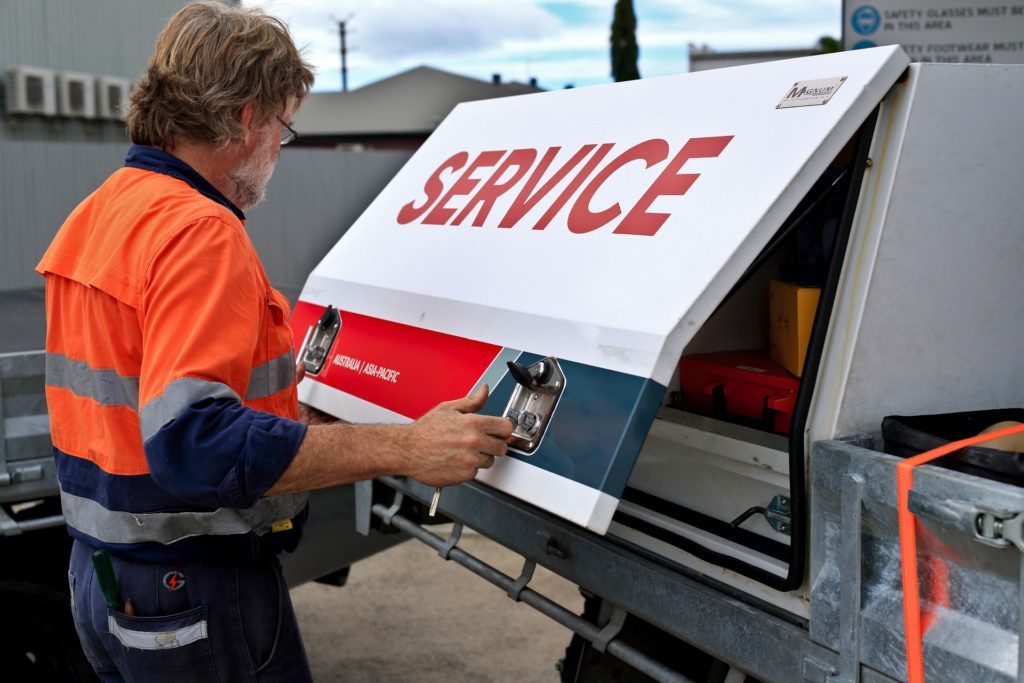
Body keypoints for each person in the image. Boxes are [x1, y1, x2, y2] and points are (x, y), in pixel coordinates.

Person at [36, 3, 512, 681]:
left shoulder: (103, 210)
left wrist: (291, 425)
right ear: (248, 116)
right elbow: (194, 444)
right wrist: (409, 446)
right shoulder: (200, 231)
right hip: (191, 592)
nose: (277, 152)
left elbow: (138, 397)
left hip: (104, 579)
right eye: (285, 128)